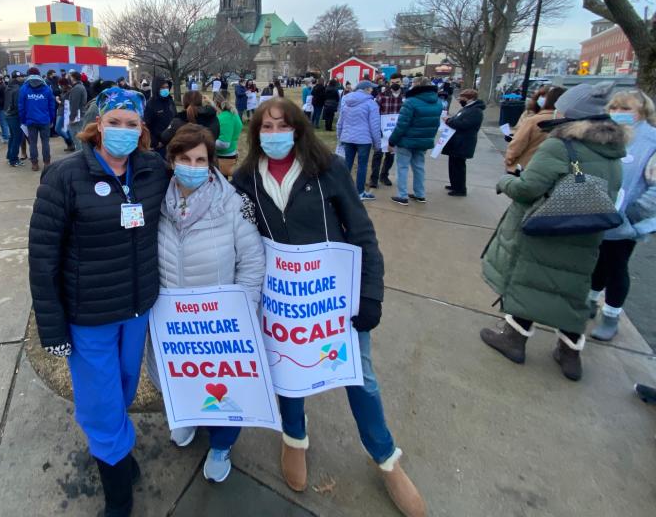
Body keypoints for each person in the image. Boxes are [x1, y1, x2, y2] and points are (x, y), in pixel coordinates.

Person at [232, 98, 426, 516]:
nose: (274, 135)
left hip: (334, 296)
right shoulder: (246, 177)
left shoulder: (328, 170)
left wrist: (371, 293)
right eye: (265, 127)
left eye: (282, 126)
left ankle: (386, 458)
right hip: (281, 299)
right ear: (255, 133)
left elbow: (362, 234)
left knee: (361, 377)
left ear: (298, 129)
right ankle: (294, 439)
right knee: (289, 373)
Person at [28, 87, 168, 517]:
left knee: (123, 390)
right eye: (114, 122)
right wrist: (52, 328)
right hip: (88, 316)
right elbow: (42, 258)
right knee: (100, 402)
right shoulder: (66, 176)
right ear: (97, 126)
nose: (123, 131)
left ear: (141, 129)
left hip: (137, 308)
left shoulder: (153, 171)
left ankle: (116, 450)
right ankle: (119, 497)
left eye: (132, 124)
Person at [479, 83, 626, 381]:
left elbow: (528, 188)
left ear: (569, 113)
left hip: (547, 225)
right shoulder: (612, 149)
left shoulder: (560, 145)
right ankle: (570, 354)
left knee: (531, 281)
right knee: (572, 289)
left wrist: (504, 182)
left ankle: (514, 339)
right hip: (586, 230)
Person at [150, 123, 263, 482]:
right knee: (182, 379)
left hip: (220, 324)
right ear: (172, 160)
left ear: (212, 162)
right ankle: (188, 419)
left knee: (223, 385)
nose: (193, 166)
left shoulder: (232, 203)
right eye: (185, 158)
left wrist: (239, 312)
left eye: (201, 159)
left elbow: (252, 262)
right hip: (173, 322)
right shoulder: (157, 200)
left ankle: (222, 442)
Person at [586, 89, 656, 341]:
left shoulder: (651, 142)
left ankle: (611, 316)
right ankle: (590, 301)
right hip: (595, 212)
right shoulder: (604, 134)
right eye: (614, 108)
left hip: (625, 219)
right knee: (596, 262)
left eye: (625, 109)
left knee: (616, 267)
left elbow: (654, 190)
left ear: (642, 112)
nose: (618, 113)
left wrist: (631, 218)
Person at [387, 77, 442, 205]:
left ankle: (402, 195)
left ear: (417, 86)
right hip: (423, 140)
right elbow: (436, 123)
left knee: (402, 167)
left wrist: (392, 141)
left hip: (407, 140)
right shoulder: (438, 102)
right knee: (419, 167)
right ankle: (420, 194)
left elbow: (402, 125)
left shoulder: (410, 102)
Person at [503, 86, 566, 172]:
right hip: (548, 170)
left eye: (545, 97)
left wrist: (509, 160)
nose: (542, 99)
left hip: (523, 168)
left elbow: (517, 144)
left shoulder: (533, 120)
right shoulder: (566, 121)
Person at [336, 80, 381, 200]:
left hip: (348, 138)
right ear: (367, 89)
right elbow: (375, 126)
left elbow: (340, 122)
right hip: (363, 140)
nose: (372, 90)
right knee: (362, 165)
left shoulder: (347, 101)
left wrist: (340, 137)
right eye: (371, 88)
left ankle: (342, 190)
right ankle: (360, 192)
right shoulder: (371, 104)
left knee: (347, 164)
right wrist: (377, 145)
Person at [441, 89, 485, 197]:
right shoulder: (467, 109)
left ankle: (460, 188)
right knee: (453, 164)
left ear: (470, 98)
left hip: (464, 142)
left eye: (462, 98)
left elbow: (464, 124)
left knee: (459, 166)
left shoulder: (475, 111)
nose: (460, 99)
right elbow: (458, 119)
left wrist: (448, 121)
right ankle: (454, 184)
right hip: (457, 141)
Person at [368, 74, 403, 189]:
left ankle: (384, 175)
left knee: (390, 155)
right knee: (378, 154)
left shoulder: (405, 97)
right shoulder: (382, 96)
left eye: (397, 82)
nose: (394, 84)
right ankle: (374, 178)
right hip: (382, 130)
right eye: (392, 82)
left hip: (396, 131)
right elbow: (375, 113)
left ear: (401, 82)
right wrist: (377, 128)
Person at [19, 67, 57, 171]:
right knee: (45, 142)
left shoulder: (24, 88)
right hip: (44, 120)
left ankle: (34, 164)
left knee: (33, 143)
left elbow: (21, 107)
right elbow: (52, 106)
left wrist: (23, 120)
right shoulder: (46, 88)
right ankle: (47, 163)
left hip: (30, 120)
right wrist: (52, 119)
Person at [213, 92, 243, 178]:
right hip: (230, 154)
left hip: (222, 157)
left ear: (216, 103)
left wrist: (207, 142)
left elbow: (224, 143)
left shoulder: (225, 117)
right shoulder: (233, 114)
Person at [144, 80, 175, 157]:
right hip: (160, 145)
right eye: (162, 87)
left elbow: (175, 117)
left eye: (167, 87)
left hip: (173, 141)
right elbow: (147, 125)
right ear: (156, 88)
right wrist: (155, 142)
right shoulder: (151, 103)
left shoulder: (170, 100)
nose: (165, 89)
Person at [2, 73, 25, 167]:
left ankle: (10, 156)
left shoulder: (8, 87)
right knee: (18, 137)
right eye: (21, 77)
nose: (23, 78)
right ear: (17, 78)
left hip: (7, 114)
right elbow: (17, 105)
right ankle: (14, 159)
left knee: (12, 137)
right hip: (15, 115)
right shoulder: (17, 89)